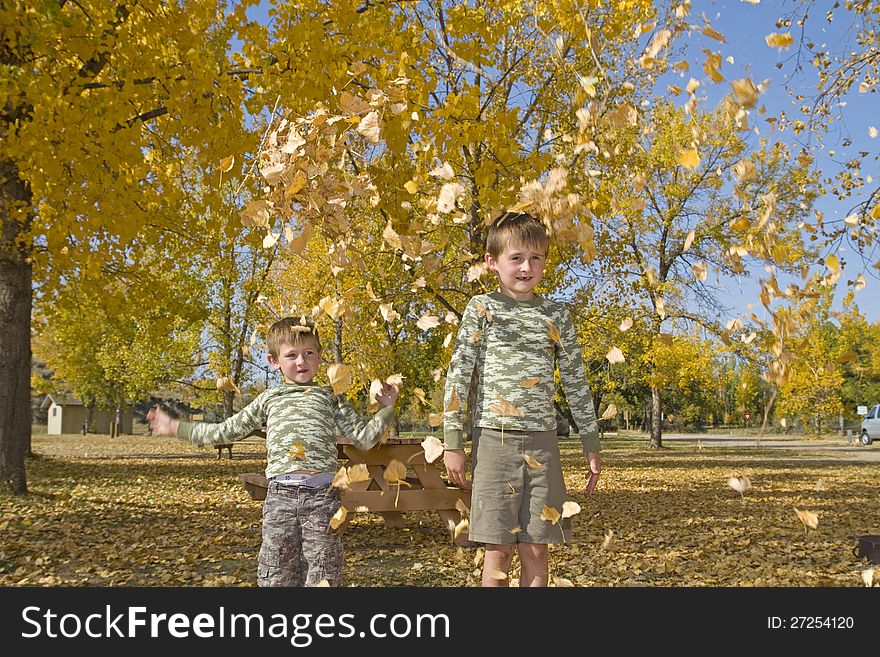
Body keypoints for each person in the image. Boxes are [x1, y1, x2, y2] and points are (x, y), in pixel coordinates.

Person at [147, 317, 399, 587]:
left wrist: (386, 408)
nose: (301, 362)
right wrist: (177, 427)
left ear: (320, 356)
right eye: (291, 355)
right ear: (274, 361)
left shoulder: (331, 397)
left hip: (323, 499)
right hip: (280, 498)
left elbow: (364, 439)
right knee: (276, 571)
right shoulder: (269, 399)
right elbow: (226, 430)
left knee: (324, 568)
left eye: (309, 353)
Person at [442, 211, 601, 587]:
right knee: (498, 550)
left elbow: (576, 380)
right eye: (516, 258)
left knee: (536, 548)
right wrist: (453, 443)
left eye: (536, 258)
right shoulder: (482, 310)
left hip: (543, 446)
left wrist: (590, 442)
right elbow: (458, 377)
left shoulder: (556, 314)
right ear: (492, 262)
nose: (526, 267)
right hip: (494, 442)